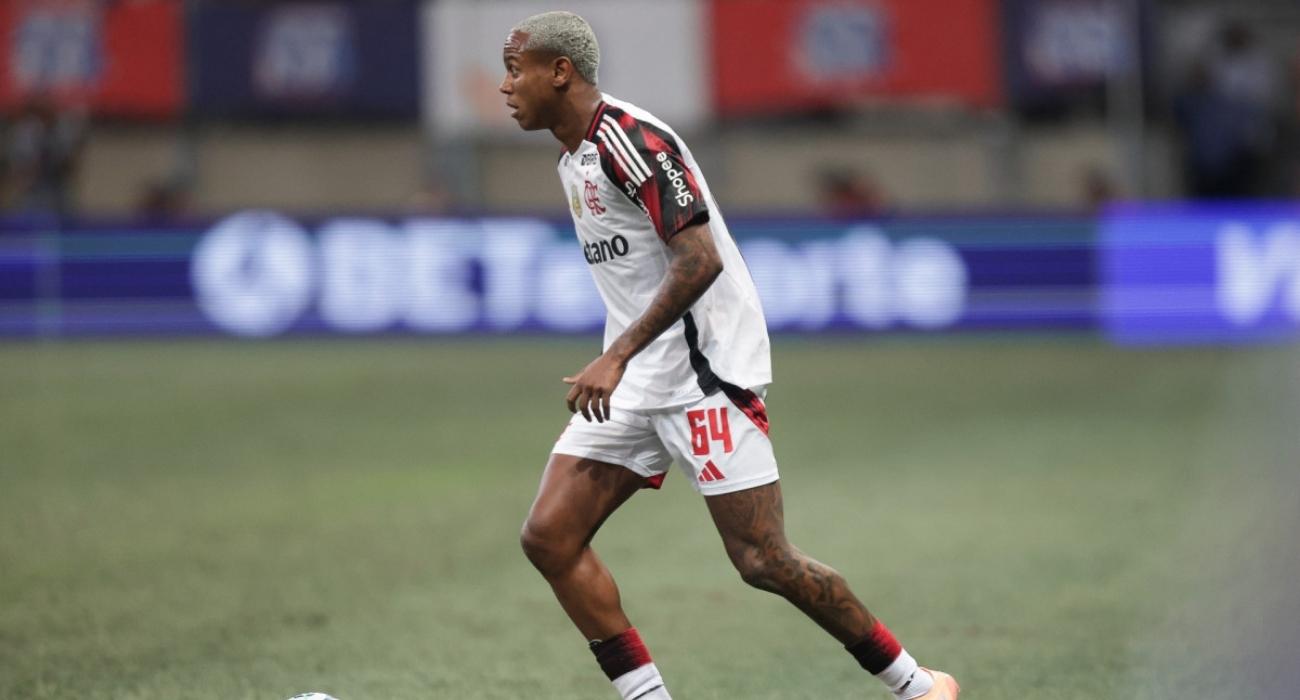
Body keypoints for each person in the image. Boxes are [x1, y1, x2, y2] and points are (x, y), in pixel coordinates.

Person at [500, 12, 959, 700]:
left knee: (762, 559)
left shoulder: (634, 141)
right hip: (637, 382)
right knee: (549, 537)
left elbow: (699, 259)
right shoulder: (575, 157)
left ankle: (918, 686)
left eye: (515, 70)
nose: (505, 86)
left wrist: (617, 355)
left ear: (559, 71)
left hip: (704, 377)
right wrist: (625, 361)